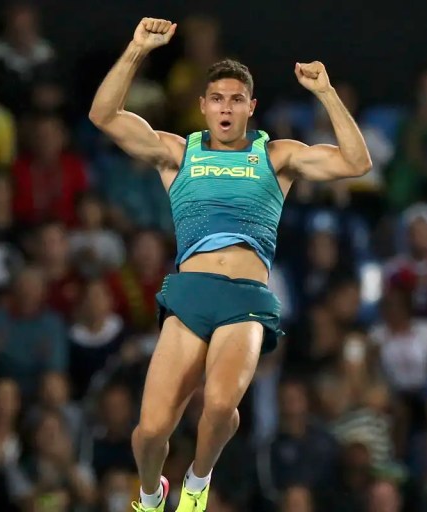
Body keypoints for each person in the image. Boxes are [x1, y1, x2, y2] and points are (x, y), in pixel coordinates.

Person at [88, 17, 372, 512]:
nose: (226, 107)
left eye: (236, 99)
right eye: (217, 98)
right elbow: (104, 115)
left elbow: (356, 163)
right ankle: (152, 496)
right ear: (203, 105)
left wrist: (326, 93)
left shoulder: (276, 155)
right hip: (190, 295)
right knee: (150, 431)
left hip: (245, 298)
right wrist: (136, 49)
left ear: (250, 108)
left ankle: (197, 482)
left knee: (220, 405)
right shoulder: (179, 153)